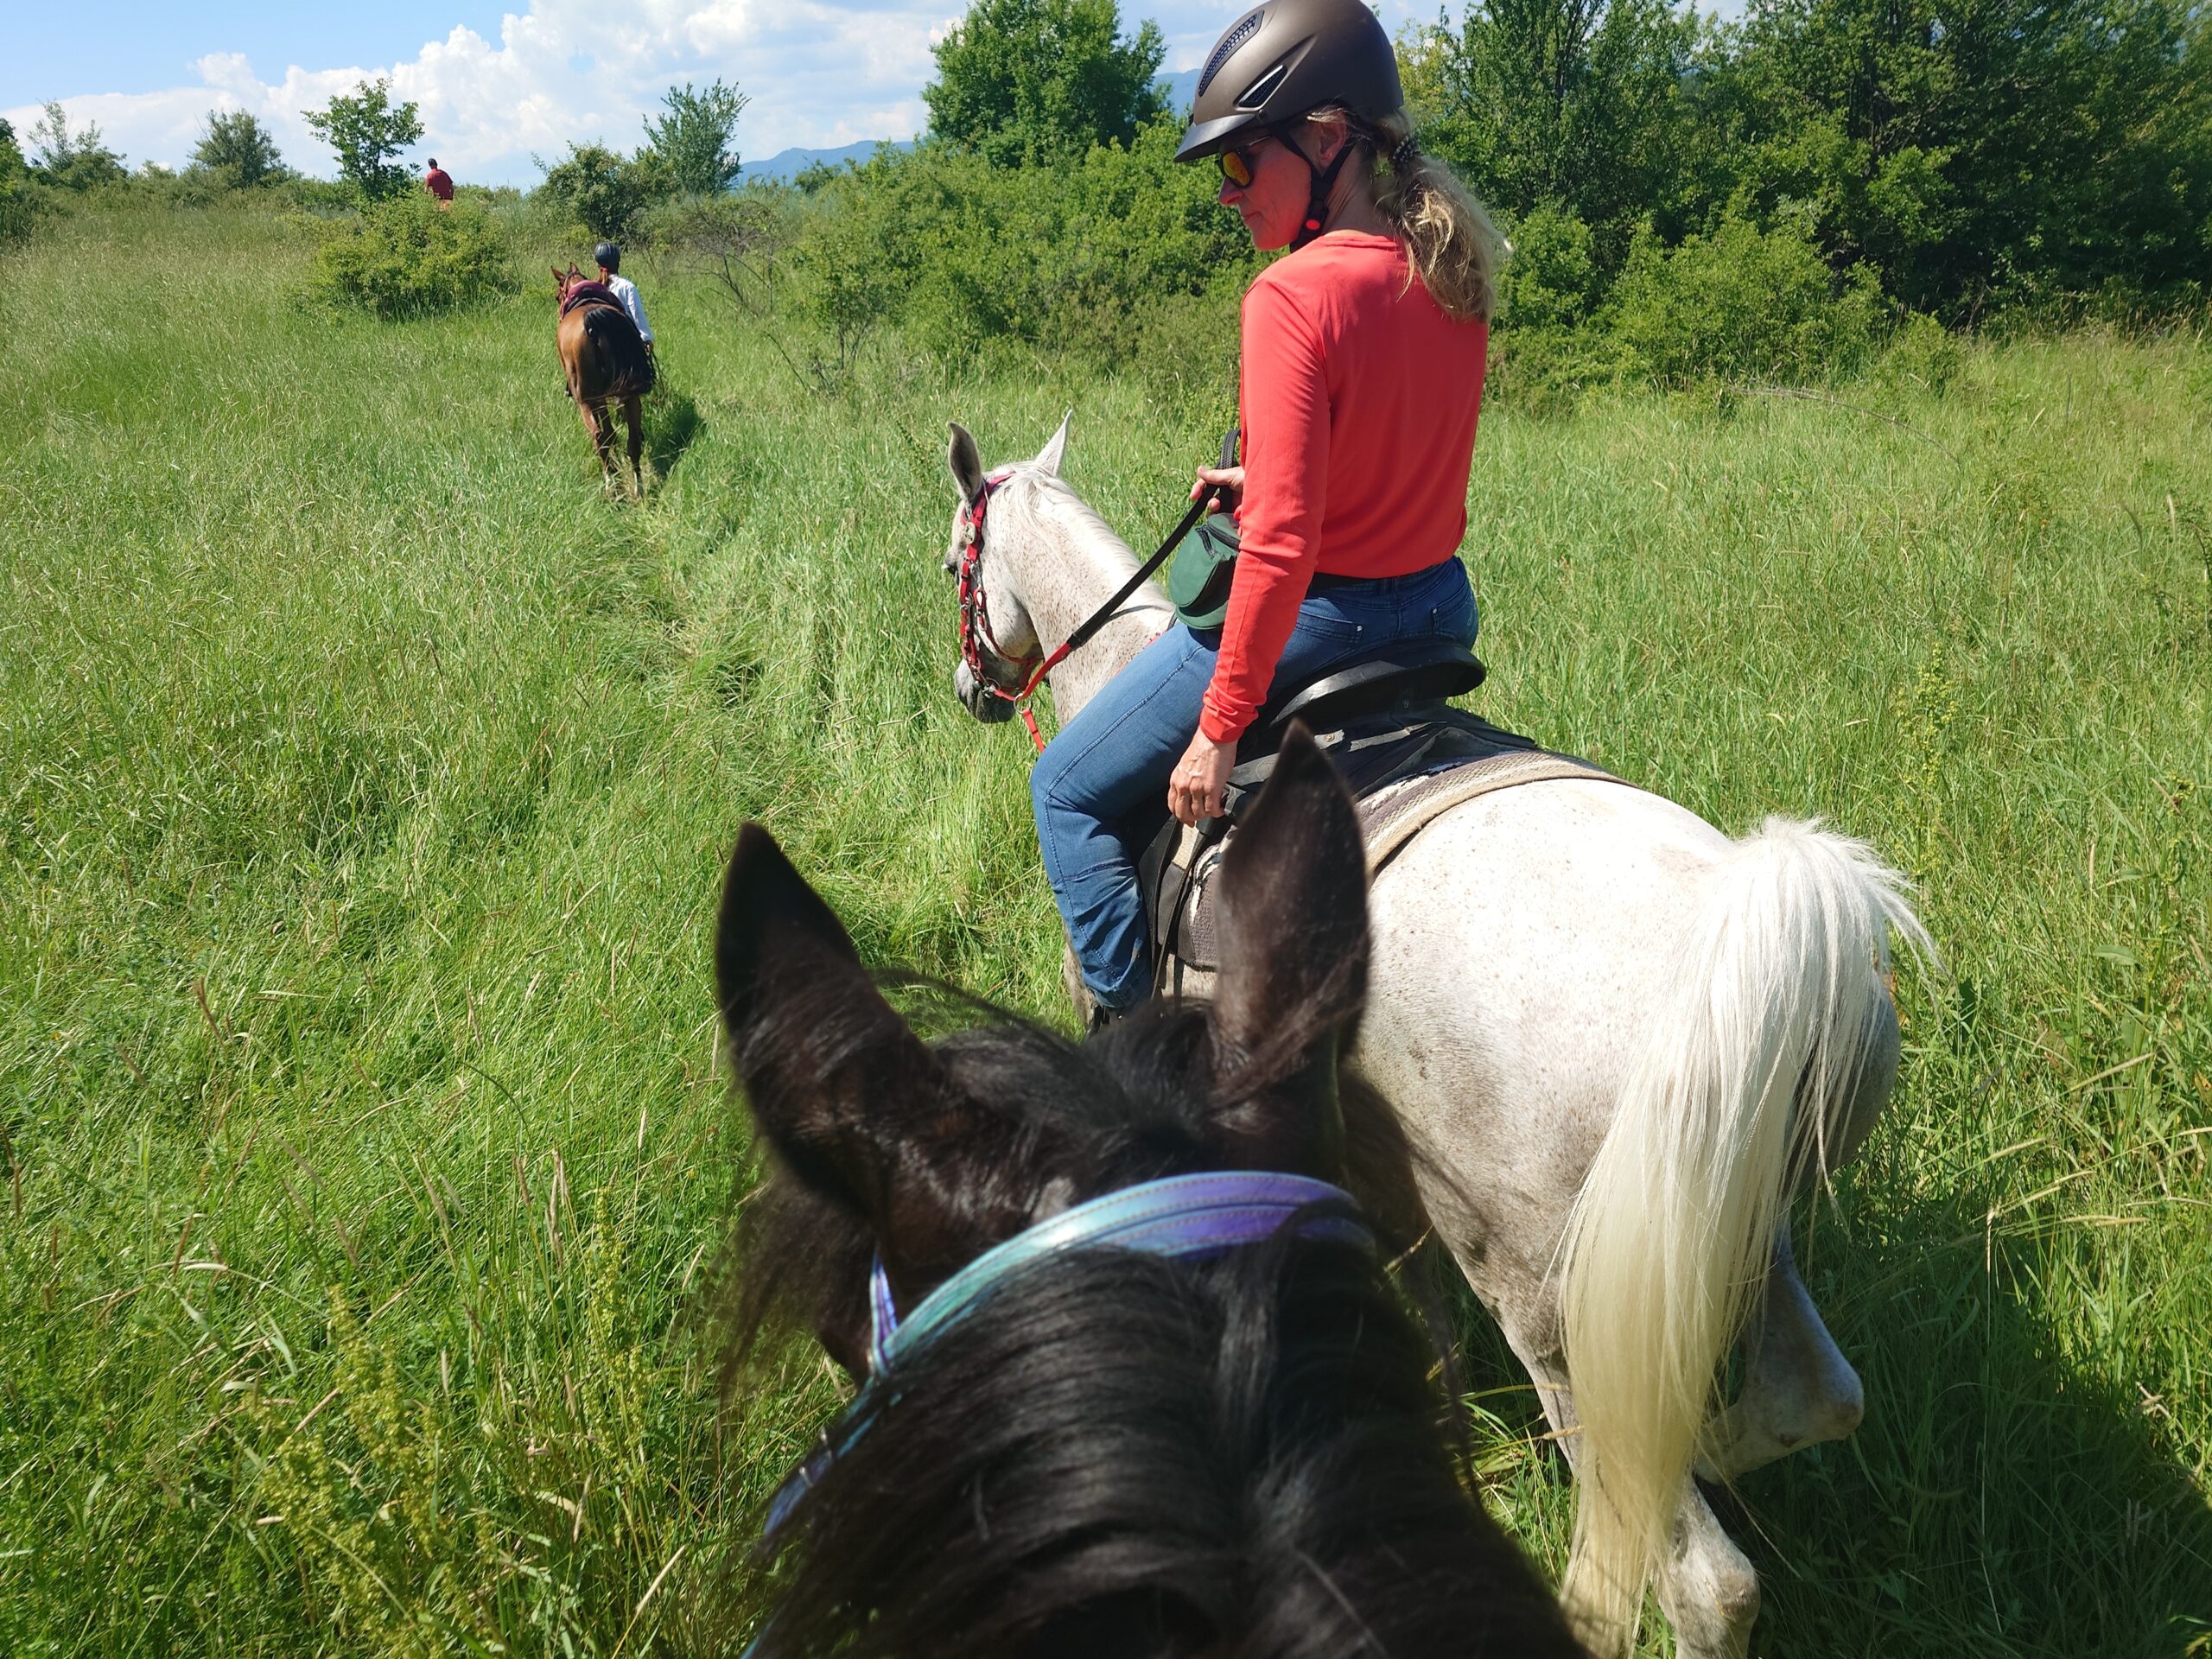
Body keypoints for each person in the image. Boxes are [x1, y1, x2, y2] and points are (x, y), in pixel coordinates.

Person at [1027, 0, 1505, 1021]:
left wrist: (1216, 729)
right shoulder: (1449, 274)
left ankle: (1130, 1050)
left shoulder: (1288, 296)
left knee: (1064, 792)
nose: (1226, 193)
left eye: (1242, 162)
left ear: (1327, 139)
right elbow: (1396, 454)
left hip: (1316, 624)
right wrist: (1268, 479)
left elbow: (1283, 549)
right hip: (1435, 612)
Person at [592, 242, 654, 360]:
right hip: (624, 344)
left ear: (598, 265)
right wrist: (646, 338)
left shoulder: (594, 288)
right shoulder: (627, 287)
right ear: (618, 264)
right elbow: (637, 314)